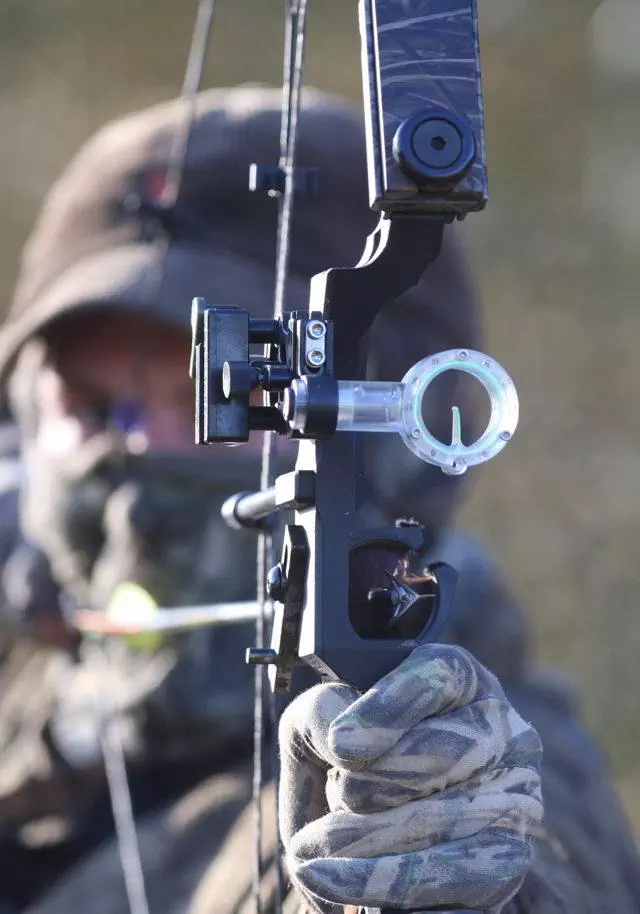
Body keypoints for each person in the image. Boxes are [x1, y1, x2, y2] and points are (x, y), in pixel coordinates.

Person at [0, 86, 636, 914]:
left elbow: (542, 867)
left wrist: (436, 863)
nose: (136, 460)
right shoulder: (32, 656)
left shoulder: (471, 757)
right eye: (88, 408)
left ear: (398, 431)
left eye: (225, 402)